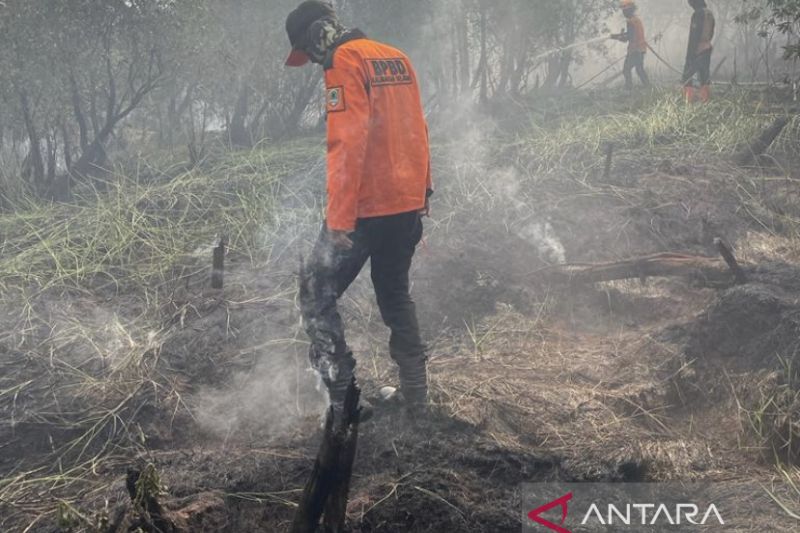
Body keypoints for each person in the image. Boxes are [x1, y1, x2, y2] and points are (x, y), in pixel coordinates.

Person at [284, 1, 432, 420]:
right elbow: (418, 128)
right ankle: (417, 401)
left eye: (308, 53)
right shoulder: (396, 56)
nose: (313, 62)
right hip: (406, 204)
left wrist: (339, 221)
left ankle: (344, 399)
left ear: (316, 36)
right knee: (395, 294)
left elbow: (346, 146)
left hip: (366, 207)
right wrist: (424, 191)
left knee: (314, 289)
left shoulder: (343, 61)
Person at [612, 0, 650, 91]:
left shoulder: (630, 21)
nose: (624, 12)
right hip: (641, 49)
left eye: (625, 11)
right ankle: (648, 87)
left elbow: (629, 37)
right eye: (623, 11)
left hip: (635, 50)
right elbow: (631, 34)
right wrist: (619, 35)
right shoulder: (636, 20)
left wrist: (616, 37)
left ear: (630, 10)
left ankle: (628, 89)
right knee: (639, 69)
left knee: (626, 70)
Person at [683, 0, 716, 103]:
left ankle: (688, 102)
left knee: (687, 76)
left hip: (697, 50)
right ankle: (705, 101)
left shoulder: (697, 14)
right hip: (707, 48)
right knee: (704, 76)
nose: (690, 4)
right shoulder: (709, 13)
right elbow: (711, 33)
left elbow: (694, 36)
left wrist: (689, 56)